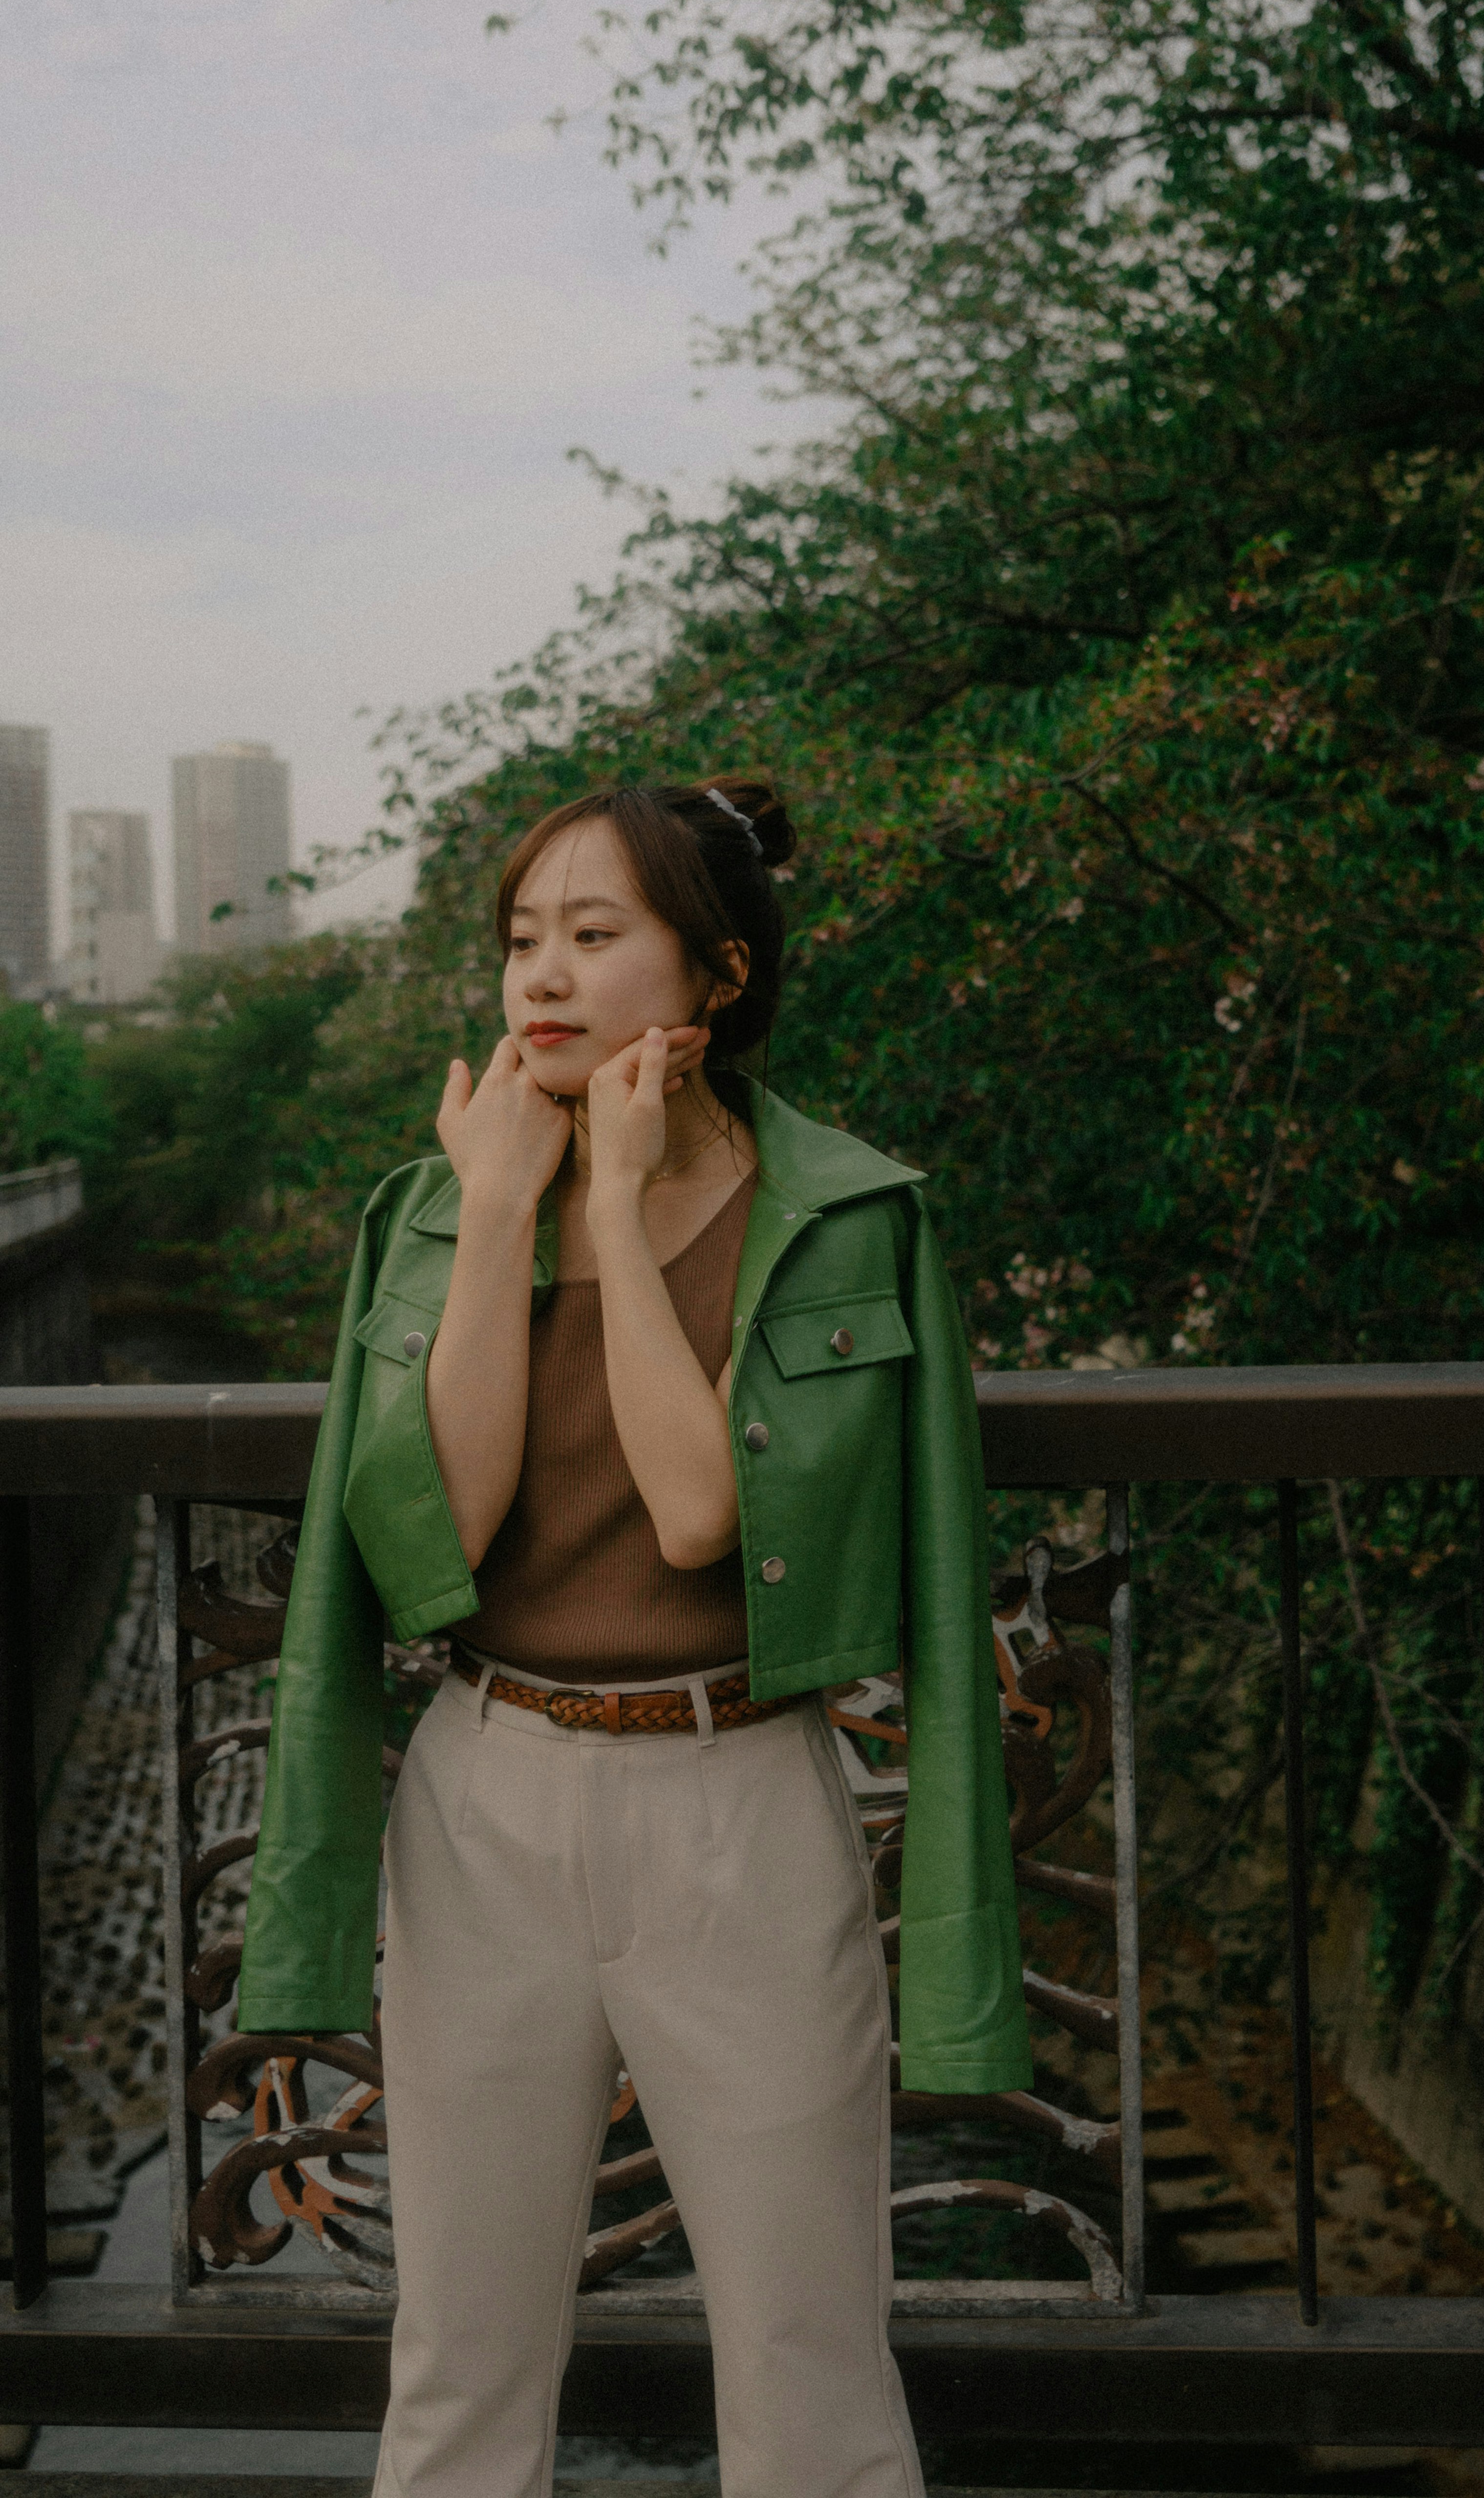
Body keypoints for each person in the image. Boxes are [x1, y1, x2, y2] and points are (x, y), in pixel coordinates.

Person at [237, 778, 1031, 2498]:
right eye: (524, 939)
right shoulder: (440, 1204)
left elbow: (697, 1518)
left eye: (597, 938)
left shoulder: (840, 1214)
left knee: (810, 2364)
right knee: (458, 2363)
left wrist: (611, 1208)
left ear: (716, 974)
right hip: (485, 1798)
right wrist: (510, 1211)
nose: (543, 977)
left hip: (735, 1801)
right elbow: (434, 1531)